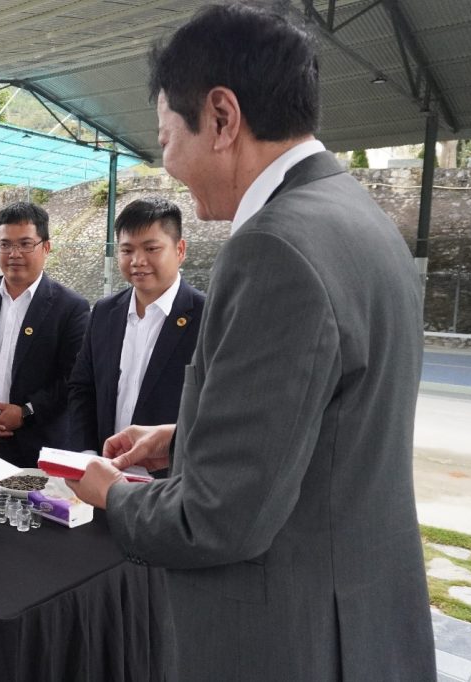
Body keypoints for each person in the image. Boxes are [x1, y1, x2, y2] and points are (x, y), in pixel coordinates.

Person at [69, 4, 436, 680]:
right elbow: (329, 429)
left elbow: (218, 518)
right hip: (359, 617)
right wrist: (184, 438)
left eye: (166, 137)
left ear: (221, 117)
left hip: (285, 638)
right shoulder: (360, 218)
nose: (167, 163)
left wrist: (110, 494)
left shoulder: (273, 248)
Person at [0, 202, 89, 469]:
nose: (14, 254)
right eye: (5, 244)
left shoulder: (70, 307)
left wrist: (25, 412)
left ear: (46, 247)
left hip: (38, 444)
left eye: (25, 244)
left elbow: (72, 378)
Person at [66, 198, 204, 466]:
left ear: (180, 250)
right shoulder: (104, 312)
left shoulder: (206, 317)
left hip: (171, 478)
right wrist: (88, 454)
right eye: (127, 250)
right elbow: (82, 387)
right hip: (105, 471)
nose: (138, 261)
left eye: (151, 248)